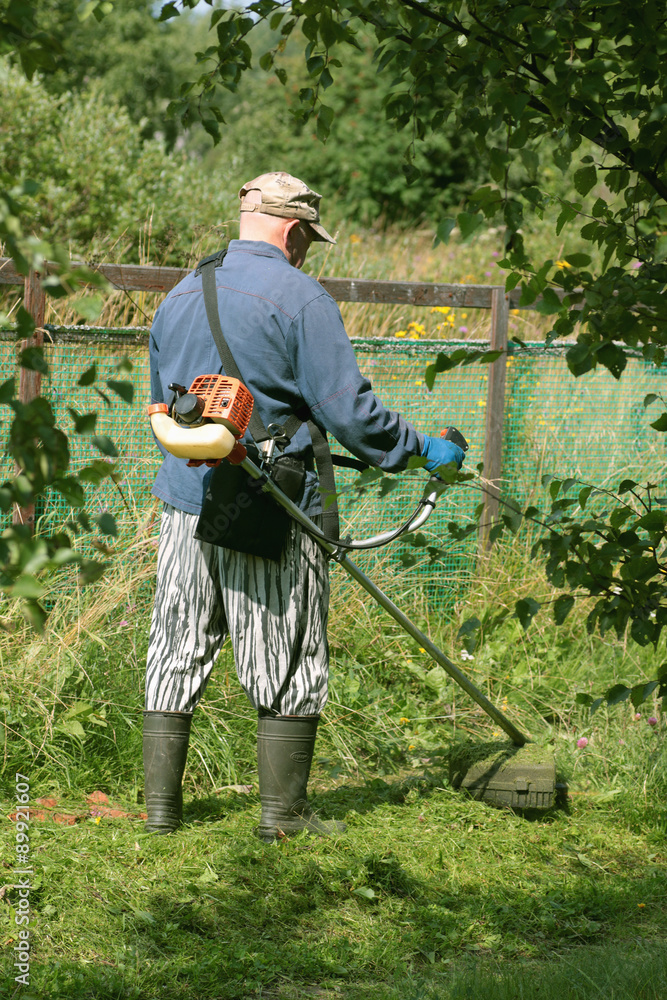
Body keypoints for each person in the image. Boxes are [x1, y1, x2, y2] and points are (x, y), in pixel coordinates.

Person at [143, 171, 465, 840]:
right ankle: (281, 818)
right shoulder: (301, 299)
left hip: (184, 501)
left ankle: (160, 817)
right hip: (272, 504)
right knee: (285, 653)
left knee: (175, 646)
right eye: (308, 239)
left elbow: (161, 403)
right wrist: (420, 450)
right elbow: (349, 414)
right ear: (294, 231)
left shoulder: (178, 293)